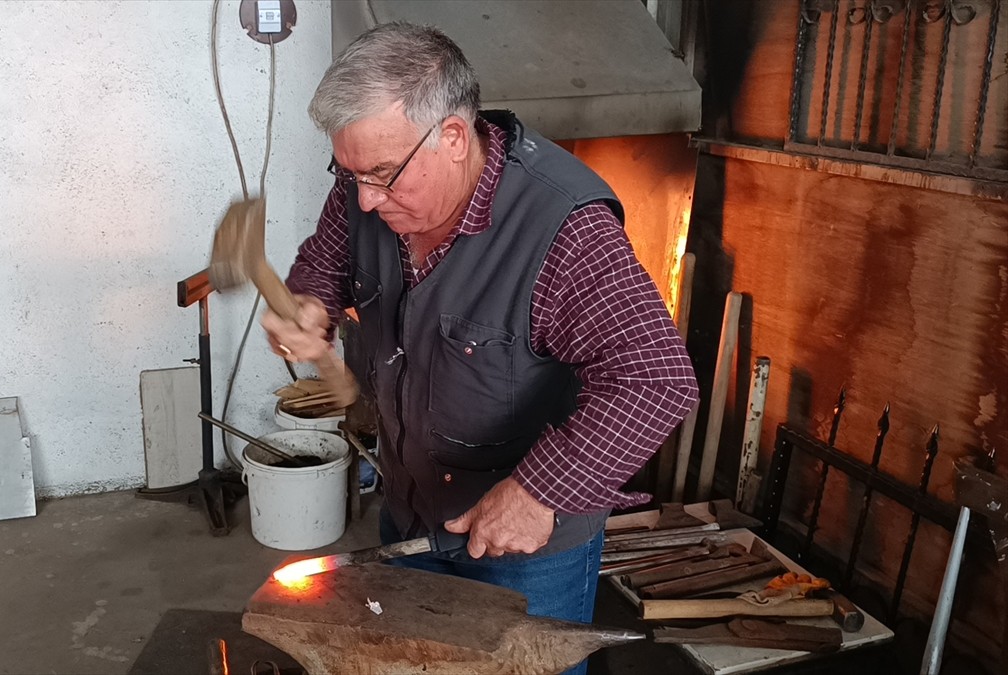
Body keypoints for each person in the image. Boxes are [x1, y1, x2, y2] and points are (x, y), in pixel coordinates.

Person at [261, 21, 698, 674]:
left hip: (526, 548)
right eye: (349, 173)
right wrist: (308, 303)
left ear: (455, 137)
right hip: (409, 516)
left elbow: (657, 379)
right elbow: (329, 258)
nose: (365, 199)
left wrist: (539, 490)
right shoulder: (369, 182)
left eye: (381, 176)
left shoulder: (564, 230)